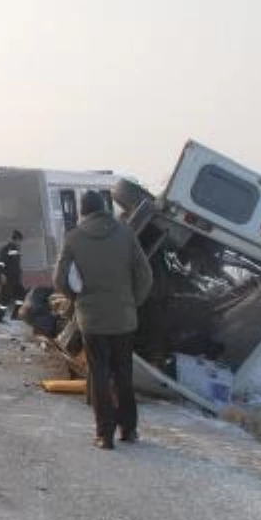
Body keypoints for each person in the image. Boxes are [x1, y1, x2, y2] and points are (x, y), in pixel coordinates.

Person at [54, 190, 153, 450]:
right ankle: (129, 430)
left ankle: (104, 435)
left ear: (83, 211)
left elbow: (59, 279)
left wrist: (76, 299)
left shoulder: (73, 238)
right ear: (105, 209)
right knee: (124, 373)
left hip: (92, 320)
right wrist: (133, 302)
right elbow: (145, 275)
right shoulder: (126, 233)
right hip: (123, 318)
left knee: (99, 375)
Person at [0, 229, 26, 320]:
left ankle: (15, 315)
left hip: (16, 278)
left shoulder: (16, 249)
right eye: (19, 240)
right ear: (15, 239)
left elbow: (15, 264)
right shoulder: (6, 249)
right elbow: (0, 263)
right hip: (8, 278)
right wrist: (1, 275)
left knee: (21, 295)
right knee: (5, 299)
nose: (20, 243)